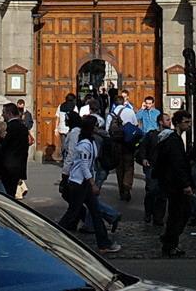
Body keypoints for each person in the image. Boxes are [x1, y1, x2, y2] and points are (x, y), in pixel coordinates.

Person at [57, 115, 120, 254]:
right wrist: (92, 183)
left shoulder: (90, 142)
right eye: (96, 126)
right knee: (72, 213)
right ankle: (55, 237)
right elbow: (84, 166)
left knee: (95, 212)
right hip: (79, 183)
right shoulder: (84, 144)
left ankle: (104, 243)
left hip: (83, 183)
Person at [154, 110, 192, 257]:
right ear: (177, 123)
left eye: (189, 122)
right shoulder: (174, 141)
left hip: (172, 182)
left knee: (178, 213)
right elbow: (177, 165)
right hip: (175, 184)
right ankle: (170, 243)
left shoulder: (174, 139)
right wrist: (185, 184)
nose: (188, 125)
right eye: (186, 122)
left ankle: (169, 240)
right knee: (178, 214)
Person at [139, 111, 170, 226]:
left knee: (162, 193)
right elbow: (143, 147)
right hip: (151, 166)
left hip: (165, 167)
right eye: (167, 120)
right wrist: (144, 158)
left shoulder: (171, 135)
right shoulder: (151, 134)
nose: (169, 122)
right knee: (151, 190)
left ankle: (158, 217)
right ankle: (148, 212)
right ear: (160, 122)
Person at [108, 90, 140, 200]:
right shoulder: (130, 112)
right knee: (129, 166)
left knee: (119, 167)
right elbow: (135, 124)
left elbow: (108, 130)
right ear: (123, 102)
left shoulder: (111, 114)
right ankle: (127, 185)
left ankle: (121, 189)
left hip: (116, 143)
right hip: (128, 142)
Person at [0, 103, 30, 198]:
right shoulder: (23, 127)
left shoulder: (8, 127)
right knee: (11, 192)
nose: (2, 115)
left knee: (5, 194)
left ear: (9, 113)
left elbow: (3, 147)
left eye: (4, 112)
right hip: (18, 166)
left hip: (6, 167)